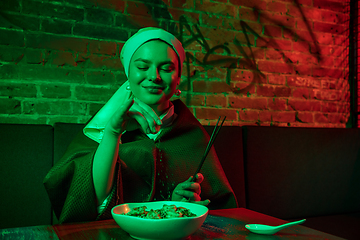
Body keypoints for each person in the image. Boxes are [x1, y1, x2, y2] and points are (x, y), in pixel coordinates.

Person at [43, 27, 238, 223]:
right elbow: (91, 202)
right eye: (143, 67)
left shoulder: (194, 135)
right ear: (128, 75)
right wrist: (113, 132)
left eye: (167, 68)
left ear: (178, 79)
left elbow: (220, 210)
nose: (154, 76)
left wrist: (179, 205)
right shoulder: (104, 128)